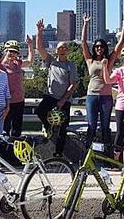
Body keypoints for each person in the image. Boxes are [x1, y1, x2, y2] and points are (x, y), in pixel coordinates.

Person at [81, 14, 124, 144]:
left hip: (106, 97)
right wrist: (86, 24)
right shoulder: (89, 60)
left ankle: (106, 154)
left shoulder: (109, 60)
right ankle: (88, 154)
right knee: (91, 125)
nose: (99, 48)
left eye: (101, 47)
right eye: (97, 46)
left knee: (105, 126)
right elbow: (83, 42)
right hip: (92, 95)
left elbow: (120, 44)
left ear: (104, 48)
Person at [35, 19, 79, 157]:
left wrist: (63, 100)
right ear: (56, 50)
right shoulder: (51, 61)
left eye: (65, 48)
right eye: (60, 48)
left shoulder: (71, 65)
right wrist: (39, 32)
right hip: (51, 96)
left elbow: (73, 84)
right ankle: (47, 126)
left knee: (63, 128)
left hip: (64, 99)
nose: (62, 49)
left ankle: (58, 154)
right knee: (40, 111)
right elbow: (40, 49)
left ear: (68, 51)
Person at [102, 45, 124, 162]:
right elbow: (108, 81)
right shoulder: (120, 71)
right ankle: (116, 159)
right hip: (122, 104)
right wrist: (105, 67)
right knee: (120, 131)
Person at [1, 38, 34, 138]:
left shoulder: (17, 63)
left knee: (17, 128)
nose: (12, 54)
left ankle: (14, 151)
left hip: (19, 100)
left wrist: (30, 45)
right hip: (6, 101)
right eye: (10, 51)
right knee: (5, 128)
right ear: (5, 51)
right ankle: (3, 151)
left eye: (15, 52)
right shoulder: (0, 66)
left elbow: (29, 61)